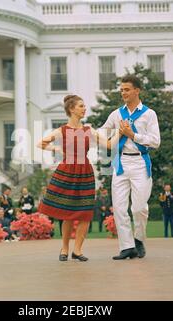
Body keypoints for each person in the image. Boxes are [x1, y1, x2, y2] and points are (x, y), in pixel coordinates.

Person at [38, 94, 120, 261]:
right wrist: (56, 149)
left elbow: (110, 145)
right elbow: (41, 143)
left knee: (84, 213)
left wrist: (120, 131)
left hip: (85, 173)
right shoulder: (62, 130)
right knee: (68, 213)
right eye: (81, 106)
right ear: (71, 109)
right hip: (66, 172)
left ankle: (77, 250)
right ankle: (64, 248)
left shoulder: (89, 131)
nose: (84, 109)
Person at [101, 75, 161, 259]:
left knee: (139, 207)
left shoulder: (149, 114)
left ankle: (139, 239)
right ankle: (127, 247)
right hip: (120, 164)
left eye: (127, 89)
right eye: (121, 90)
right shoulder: (117, 114)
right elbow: (102, 131)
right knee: (119, 207)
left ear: (137, 90)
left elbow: (155, 141)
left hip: (140, 163)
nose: (123, 93)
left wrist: (132, 135)